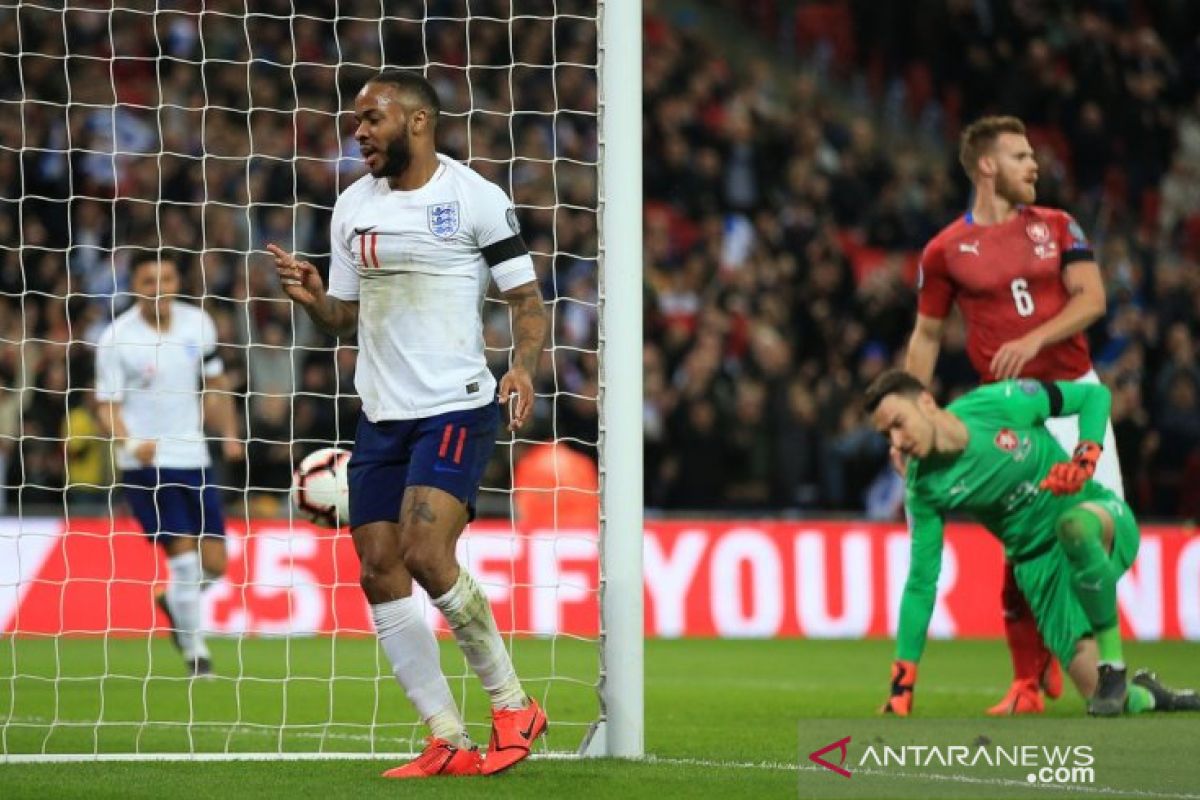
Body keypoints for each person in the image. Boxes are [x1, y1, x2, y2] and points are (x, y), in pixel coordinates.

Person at [267, 69, 549, 779]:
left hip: (455, 403)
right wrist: (310, 298)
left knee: (426, 552)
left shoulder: (473, 198)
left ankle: (514, 706)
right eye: (355, 120)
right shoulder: (352, 207)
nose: (358, 131)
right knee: (378, 570)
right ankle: (446, 737)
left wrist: (522, 370)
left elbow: (526, 302)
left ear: (418, 123)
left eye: (372, 118)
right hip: (381, 415)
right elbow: (343, 318)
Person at [903, 115, 1120, 715]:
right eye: (1022, 156)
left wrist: (1035, 340)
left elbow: (1093, 299)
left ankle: (1089, 659)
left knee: (1097, 530)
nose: (1035, 165)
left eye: (1034, 155)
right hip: (1005, 415)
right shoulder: (945, 251)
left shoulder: (1058, 225)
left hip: (1076, 397)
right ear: (988, 166)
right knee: (1024, 546)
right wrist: (910, 415)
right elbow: (925, 336)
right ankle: (1028, 682)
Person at [864, 369, 1199, 717]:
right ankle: (1153, 695)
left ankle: (1113, 666)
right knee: (1105, 702)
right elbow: (921, 583)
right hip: (1041, 568)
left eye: (899, 423)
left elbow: (1094, 397)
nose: (897, 441)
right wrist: (901, 684)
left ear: (926, 402)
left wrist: (1084, 459)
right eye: (887, 434)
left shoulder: (1001, 403)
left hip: (1095, 516)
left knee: (1073, 527)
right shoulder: (923, 489)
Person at [94, 254, 243, 677]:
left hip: (194, 457)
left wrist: (229, 433)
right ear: (134, 285)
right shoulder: (116, 338)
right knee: (182, 559)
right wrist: (131, 442)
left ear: (177, 280)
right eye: (148, 279)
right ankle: (198, 655)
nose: (158, 286)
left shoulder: (199, 323)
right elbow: (107, 406)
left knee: (215, 563)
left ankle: (174, 601)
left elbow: (215, 384)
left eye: (166, 277)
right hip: (147, 465)